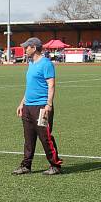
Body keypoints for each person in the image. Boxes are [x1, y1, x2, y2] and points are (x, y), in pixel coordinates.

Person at [13, 37, 63, 176]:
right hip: (28, 107)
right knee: (28, 138)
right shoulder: (31, 63)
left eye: (26, 47)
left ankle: (55, 165)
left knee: (45, 137)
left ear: (34, 47)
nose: (24, 49)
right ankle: (26, 165)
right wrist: (22, 103)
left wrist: (48, 104)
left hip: (41, 107)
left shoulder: (46, 63)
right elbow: (30, 86)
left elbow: (51, 85)